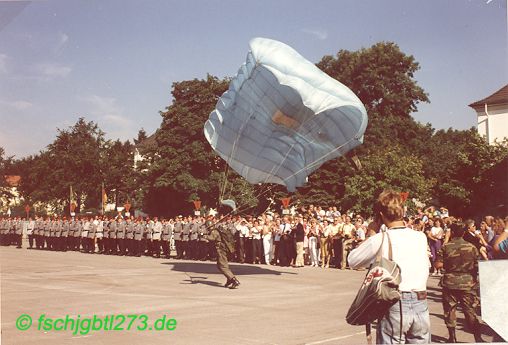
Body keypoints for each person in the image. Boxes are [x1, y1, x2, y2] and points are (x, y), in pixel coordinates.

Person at [348, 190, 430, 344]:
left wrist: (371, 233)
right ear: (403, 211)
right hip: (421, 300)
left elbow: (353, 260)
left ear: (380, 214)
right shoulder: (420, 237)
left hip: (396, 301)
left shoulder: (381, 239)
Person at [434, 222, 484, 343]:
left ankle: (452, 337)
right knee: (469, 311)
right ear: (464, 232)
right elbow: (478, 265)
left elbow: (438, 264)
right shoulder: (471, 247)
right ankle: (478, 338)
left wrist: (449, 264)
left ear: (452, 232)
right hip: (467, 283)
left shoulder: (446, 247)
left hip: (449, 283)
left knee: (450, 310)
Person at [208, 217, 240, 289]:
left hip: (221, 250)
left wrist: (203, 235)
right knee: (219, 265)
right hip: (223, 249)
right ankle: (229, 279)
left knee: (223, 266)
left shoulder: (214, 231)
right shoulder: (218, 230)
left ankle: (234, 280)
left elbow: (212, 238)